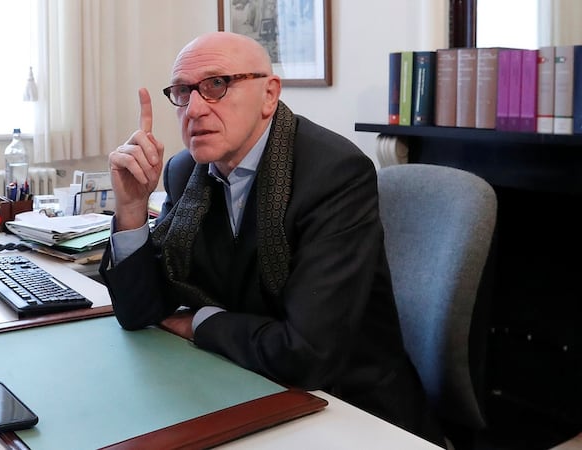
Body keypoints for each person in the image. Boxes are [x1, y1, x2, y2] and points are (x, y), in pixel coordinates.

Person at [99, 31, 445, 447]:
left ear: (269, 95)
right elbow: (140, 312)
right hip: (240, 380)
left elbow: (307, 354)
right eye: (182, 91)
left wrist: (200, 322)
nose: (193, 108)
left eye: (215, 85)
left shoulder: (334, 174)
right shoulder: (183, 171)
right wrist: (132, 209)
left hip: (347, 405)